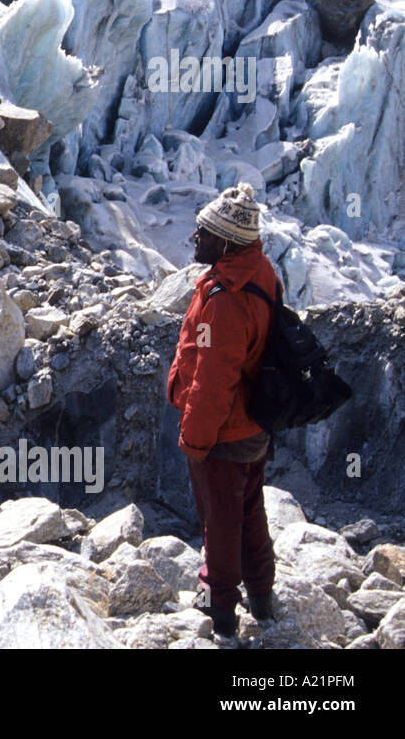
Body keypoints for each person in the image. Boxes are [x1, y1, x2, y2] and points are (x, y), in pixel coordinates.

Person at [166, 183, 278, 638]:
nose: (195, 238)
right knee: (249, 512)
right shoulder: (258, 271)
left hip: (224, 433)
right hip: (252, 424)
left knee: (220, 524)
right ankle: (264, 598)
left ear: (226, 242)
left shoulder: (226, 301)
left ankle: (221, 615)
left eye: (204, 232)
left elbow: (213, 380)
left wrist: (195, 441)